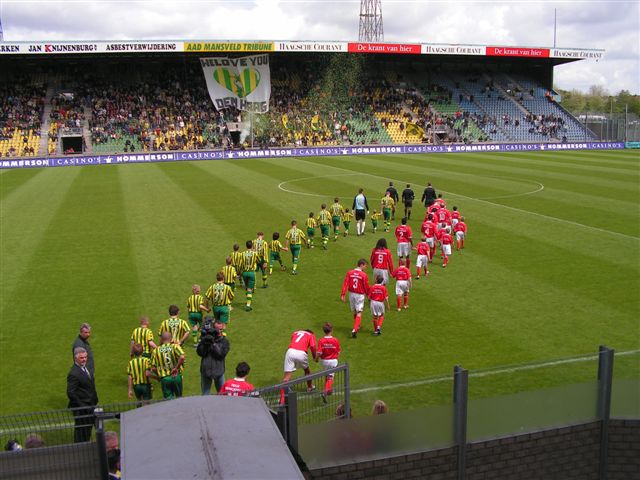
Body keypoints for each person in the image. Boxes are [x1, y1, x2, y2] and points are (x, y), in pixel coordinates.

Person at [67, 347, 98, 443]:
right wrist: (82, 406)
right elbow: (70, 392)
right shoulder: (74, 373)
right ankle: (80, 450)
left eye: (85, 357)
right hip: (82, 409)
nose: (84, 359)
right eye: (82, 358)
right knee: (82, 433)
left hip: (90, 405)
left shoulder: (86, 367)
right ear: (75, 358)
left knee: (88, 430)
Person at [197, 318, 230, 394]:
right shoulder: (205, 339)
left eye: (221, 330)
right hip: (206, 371)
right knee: (205, 394)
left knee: (222, 395)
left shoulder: (224, 341)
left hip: (219, 371)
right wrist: (205, 342)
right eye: (217, 330)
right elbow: (200, 353)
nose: (219, 332)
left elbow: (221, 355)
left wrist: (213, 344)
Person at [150, 331, 185, 399]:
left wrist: (159, 375)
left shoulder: (155, 351)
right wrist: (176, 368)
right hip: (176, 377)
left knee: (168, 402)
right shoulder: (175, 346)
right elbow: (182, 357)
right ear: (171, 339)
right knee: (179, 399)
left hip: (165, 379)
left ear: (161, 339)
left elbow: (153, 368)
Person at [340, 259, 370, 338]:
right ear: (361, 265)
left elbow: (345, 283)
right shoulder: (363, 275)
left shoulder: (350, 273)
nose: (365, 268)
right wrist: (368, 295)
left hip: (351, 294)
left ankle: (357, 325)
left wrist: (343, 294)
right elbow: (366, 286)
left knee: (354, 311)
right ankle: (355, 329)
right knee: (359, 312)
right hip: (359, 295)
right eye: (365, 266)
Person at [315, 323, 341, 402]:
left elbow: (319, 352)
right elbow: (338, 351)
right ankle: (325, 392)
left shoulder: (321, 340)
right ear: (332, 330)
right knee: (330, 377)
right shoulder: (335, 340)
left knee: (327, 375)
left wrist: (316, 359)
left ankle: (329, 390)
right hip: (333, 361)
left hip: (324, 361)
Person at [240, 240, 259, 311]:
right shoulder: (254, 254)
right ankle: (248, 305)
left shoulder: (242, 254)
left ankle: (247, 299)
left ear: (246, 246)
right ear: (252, 246)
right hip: (251, 272)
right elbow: (258, 260)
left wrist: (239, 272)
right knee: (250, 289)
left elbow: (240, 264)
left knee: (247, 287)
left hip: (244, 273)